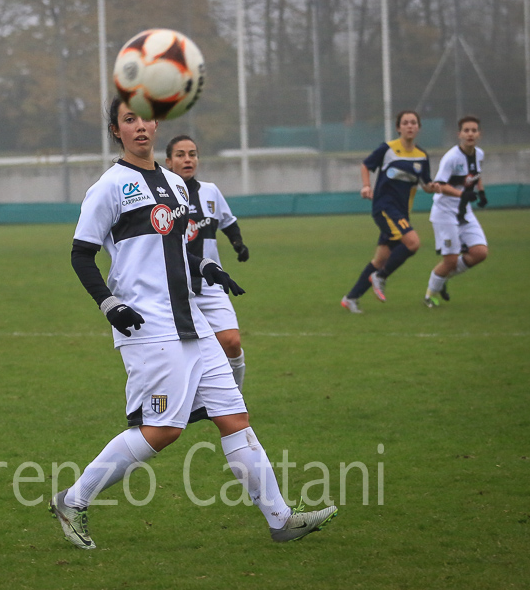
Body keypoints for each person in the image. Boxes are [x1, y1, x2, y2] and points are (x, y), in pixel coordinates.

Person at [50, 96, 337, 550]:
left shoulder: (174, 184)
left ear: (156, 124)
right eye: (129, 120)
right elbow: (81, 254)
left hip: (192, 320)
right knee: (163, 429)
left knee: (235, 417)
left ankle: (281, 519)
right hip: (147, 325)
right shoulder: (109, 186)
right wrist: (109, 304)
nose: (140, 126)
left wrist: (207, 267)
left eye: (145, 118)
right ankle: (72, 500)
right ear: (116, 131)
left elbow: (178, 249)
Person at [165, 134, 249, 392]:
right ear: (168, 161)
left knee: (232, 342)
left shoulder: (210, 191)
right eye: (180, 155)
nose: (187, 159)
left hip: (211, 283)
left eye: (192, 154)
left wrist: (238, 244)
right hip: (174, 288)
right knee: (180, 355)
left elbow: (228, 221)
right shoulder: (162, 197)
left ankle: (234, 398)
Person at [341, 110, 436, 313]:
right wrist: (366, 186)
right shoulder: (388, 149)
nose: (409, 126)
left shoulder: (421, 156)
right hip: (384, 207)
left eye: (413, 122)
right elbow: (366, 165)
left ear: (418, 127)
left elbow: (427, 185)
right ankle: (380, 277)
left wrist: (434, 187)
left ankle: (351, 298)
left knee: (380, 260)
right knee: (413, 243)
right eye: (405, 122)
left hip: (401, 213)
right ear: (398, 128)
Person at [422, 116, 488, 308]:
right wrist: (462, 195)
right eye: (466, 130)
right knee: (450, 262)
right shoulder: (451, 157)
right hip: (445, 213)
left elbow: (476, 175)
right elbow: (440, 185)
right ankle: (430, 295)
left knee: (480, 252)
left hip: (464, 212)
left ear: (479, 134)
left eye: (474, 130)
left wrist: (481, 192)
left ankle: (441, 278)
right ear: (459, 134)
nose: (470, 134)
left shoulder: (479, 154)